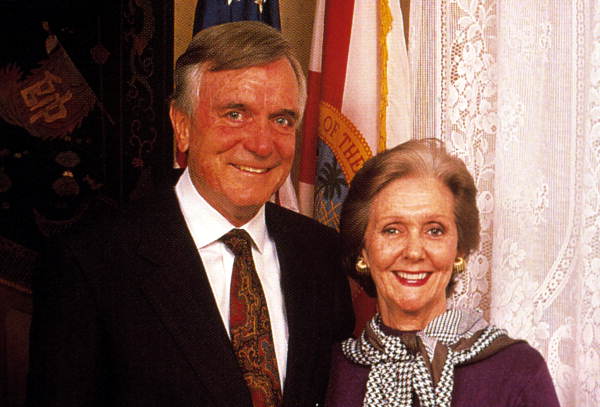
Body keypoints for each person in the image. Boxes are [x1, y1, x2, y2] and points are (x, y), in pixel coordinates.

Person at [27, 21, 354, 407]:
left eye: (281, 119)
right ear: (181, 126)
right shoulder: (90, 262)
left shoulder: (322, 252)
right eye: (236, 114)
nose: (262, 144)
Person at [325, 139, 560, 406]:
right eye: (392, 229)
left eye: (434, 230)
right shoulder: (330, 371)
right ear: (363, 250)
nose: (414, 252)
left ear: (459, 249)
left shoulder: (517, 371)